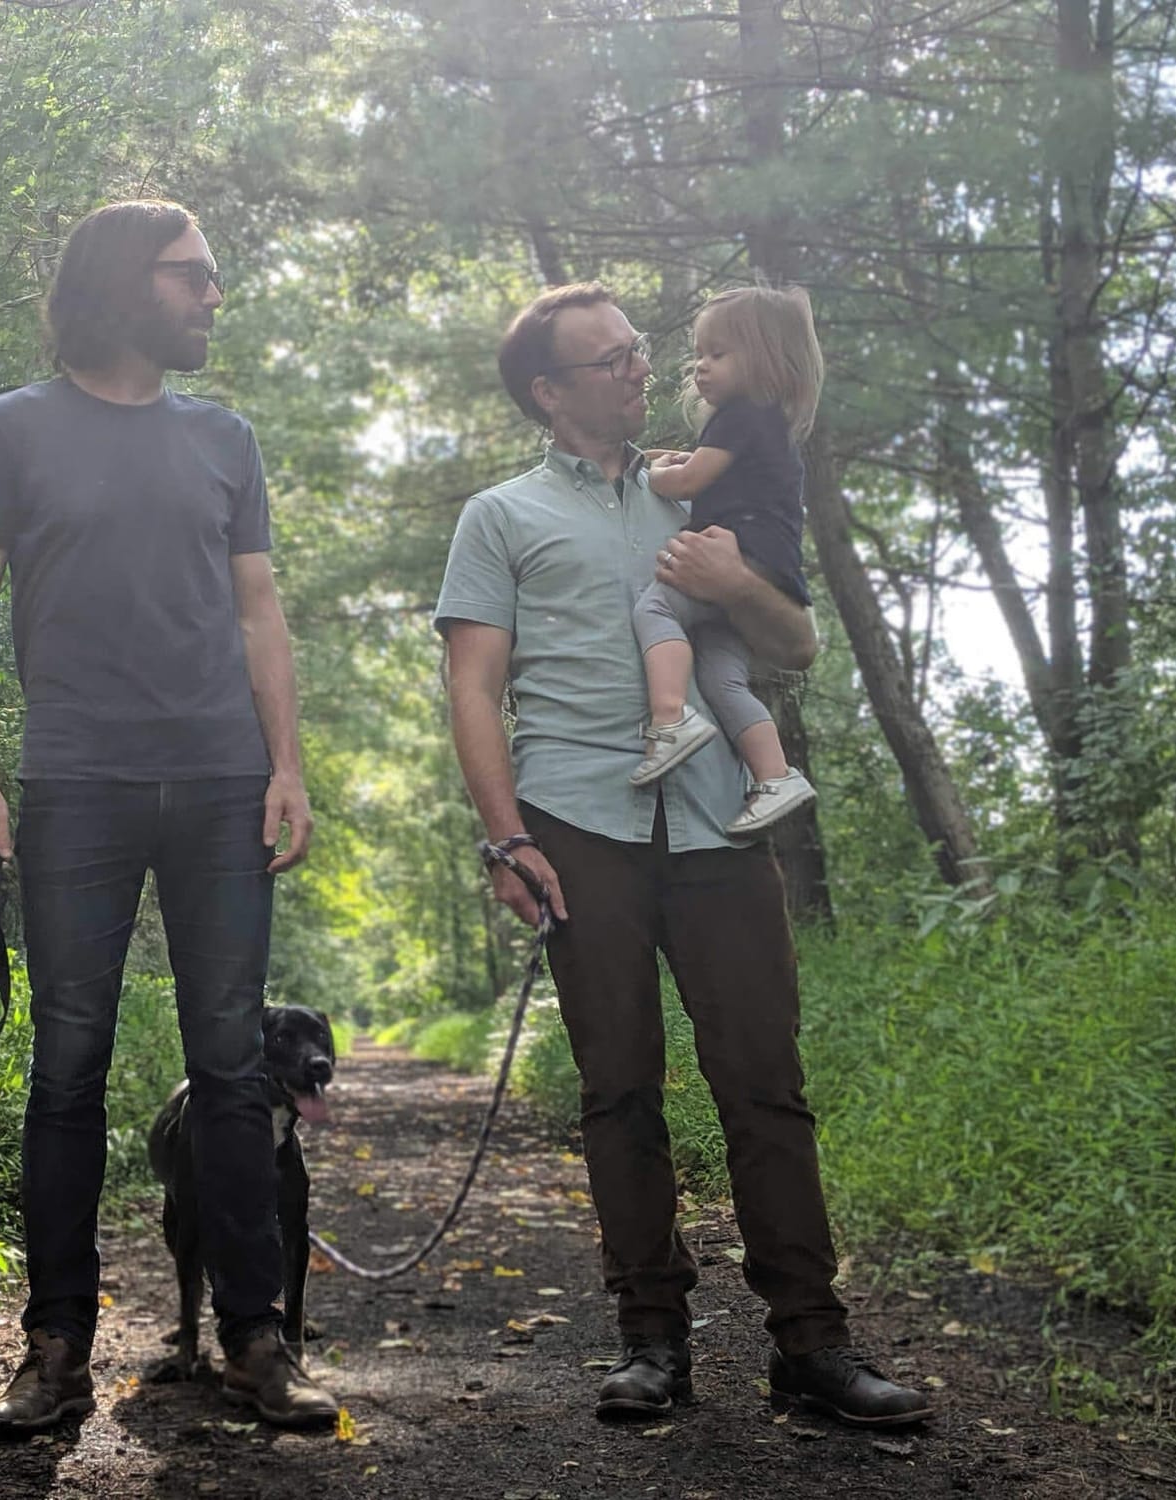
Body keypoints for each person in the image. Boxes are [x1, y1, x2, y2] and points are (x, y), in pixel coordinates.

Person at [433, 282, 931, 1428]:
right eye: (606, 360)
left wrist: (734, 584)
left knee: (763, 1080)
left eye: (637, 352)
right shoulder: (499, 515)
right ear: (547, 390)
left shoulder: (714, 483)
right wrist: (505, 835)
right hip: (573, 823)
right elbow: (471, 688)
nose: (636, 370)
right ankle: (649, 1340)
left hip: (719, 820)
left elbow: (795, 645)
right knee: (616, 1087)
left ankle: (810, 1344)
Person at [0, 198, 337, 1436]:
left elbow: (259, 611)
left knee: (228, 1068)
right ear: (123, 283)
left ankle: (255, 1339)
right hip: (76, 787)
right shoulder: (9, 429)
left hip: (222, 785)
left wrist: (285, 763)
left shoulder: (225, 437)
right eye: (193, 276)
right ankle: (53, 1348)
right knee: (67, 1070)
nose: (214, 295)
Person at [627, 287, 819, 839]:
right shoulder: (768, 425)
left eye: (718, 354)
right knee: (721, 677)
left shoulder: (739, 414)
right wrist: (684, 463)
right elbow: (721, 473)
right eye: (698, 354)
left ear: (761, 358)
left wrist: (645, 472)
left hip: (736, 557)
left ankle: (669, 719)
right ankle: (775, 774)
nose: (700, 367)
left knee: (657, 608)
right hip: (771, 570)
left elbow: (686, 482)